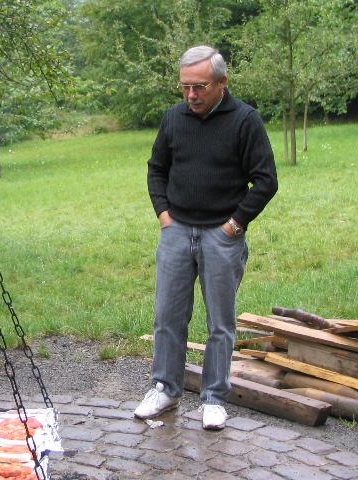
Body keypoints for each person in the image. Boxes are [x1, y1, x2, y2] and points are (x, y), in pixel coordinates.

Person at [136, 45, 278, 430]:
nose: (191, 95)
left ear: (222, 83)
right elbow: (156, 170)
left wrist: (235, 225)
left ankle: (214, 397)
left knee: (220, 322)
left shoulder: (245, 120)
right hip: (177, 231)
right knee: (168, 316)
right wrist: (164, 216)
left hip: (222, 236)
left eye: (199, 87)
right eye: (184, 88)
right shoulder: (174, 118)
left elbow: (265, 180)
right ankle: (165, 388)